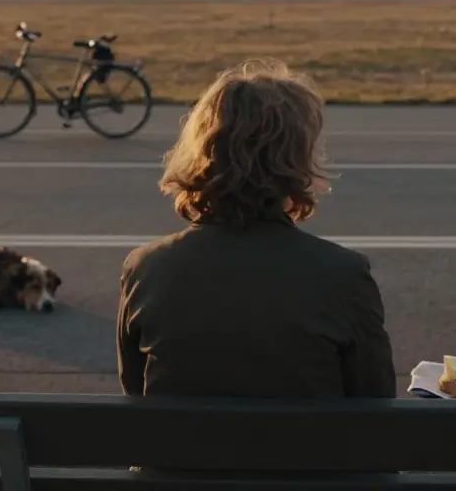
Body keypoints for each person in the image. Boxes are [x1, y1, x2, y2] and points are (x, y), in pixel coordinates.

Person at [117, 59, 397, 398]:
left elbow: (135, 391)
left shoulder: (146, 269)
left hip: (183, 451)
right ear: (296, 160)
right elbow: (375, 402)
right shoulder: (343, 276)